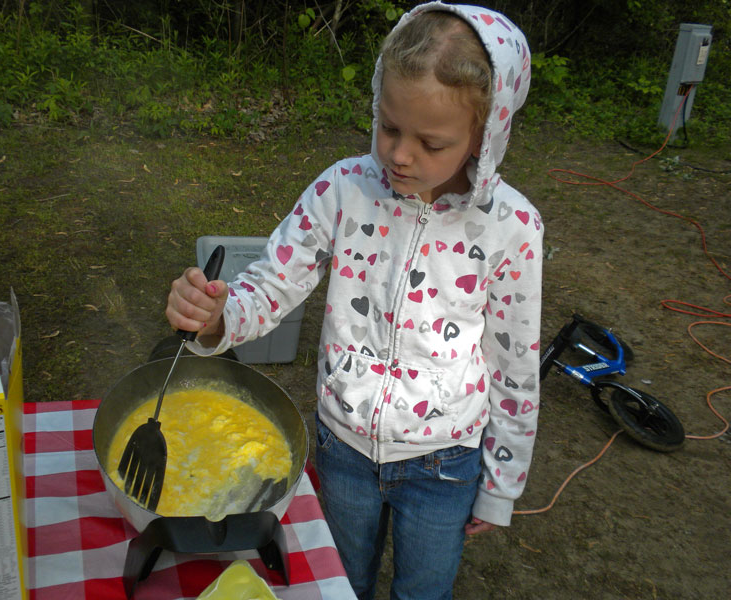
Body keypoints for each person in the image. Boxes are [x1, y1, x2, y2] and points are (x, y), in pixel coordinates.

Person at [166, 3, 542, 599]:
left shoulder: (513, 227)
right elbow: (271, 282)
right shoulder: (342, 189)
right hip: (343, 449)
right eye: (389, 127)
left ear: (485, 135)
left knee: (423, 590)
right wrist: (219, 316)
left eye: (431, 142)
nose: (399, 155)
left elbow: (516, 363)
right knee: (341, 582)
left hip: (445, 462)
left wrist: (500, 485)